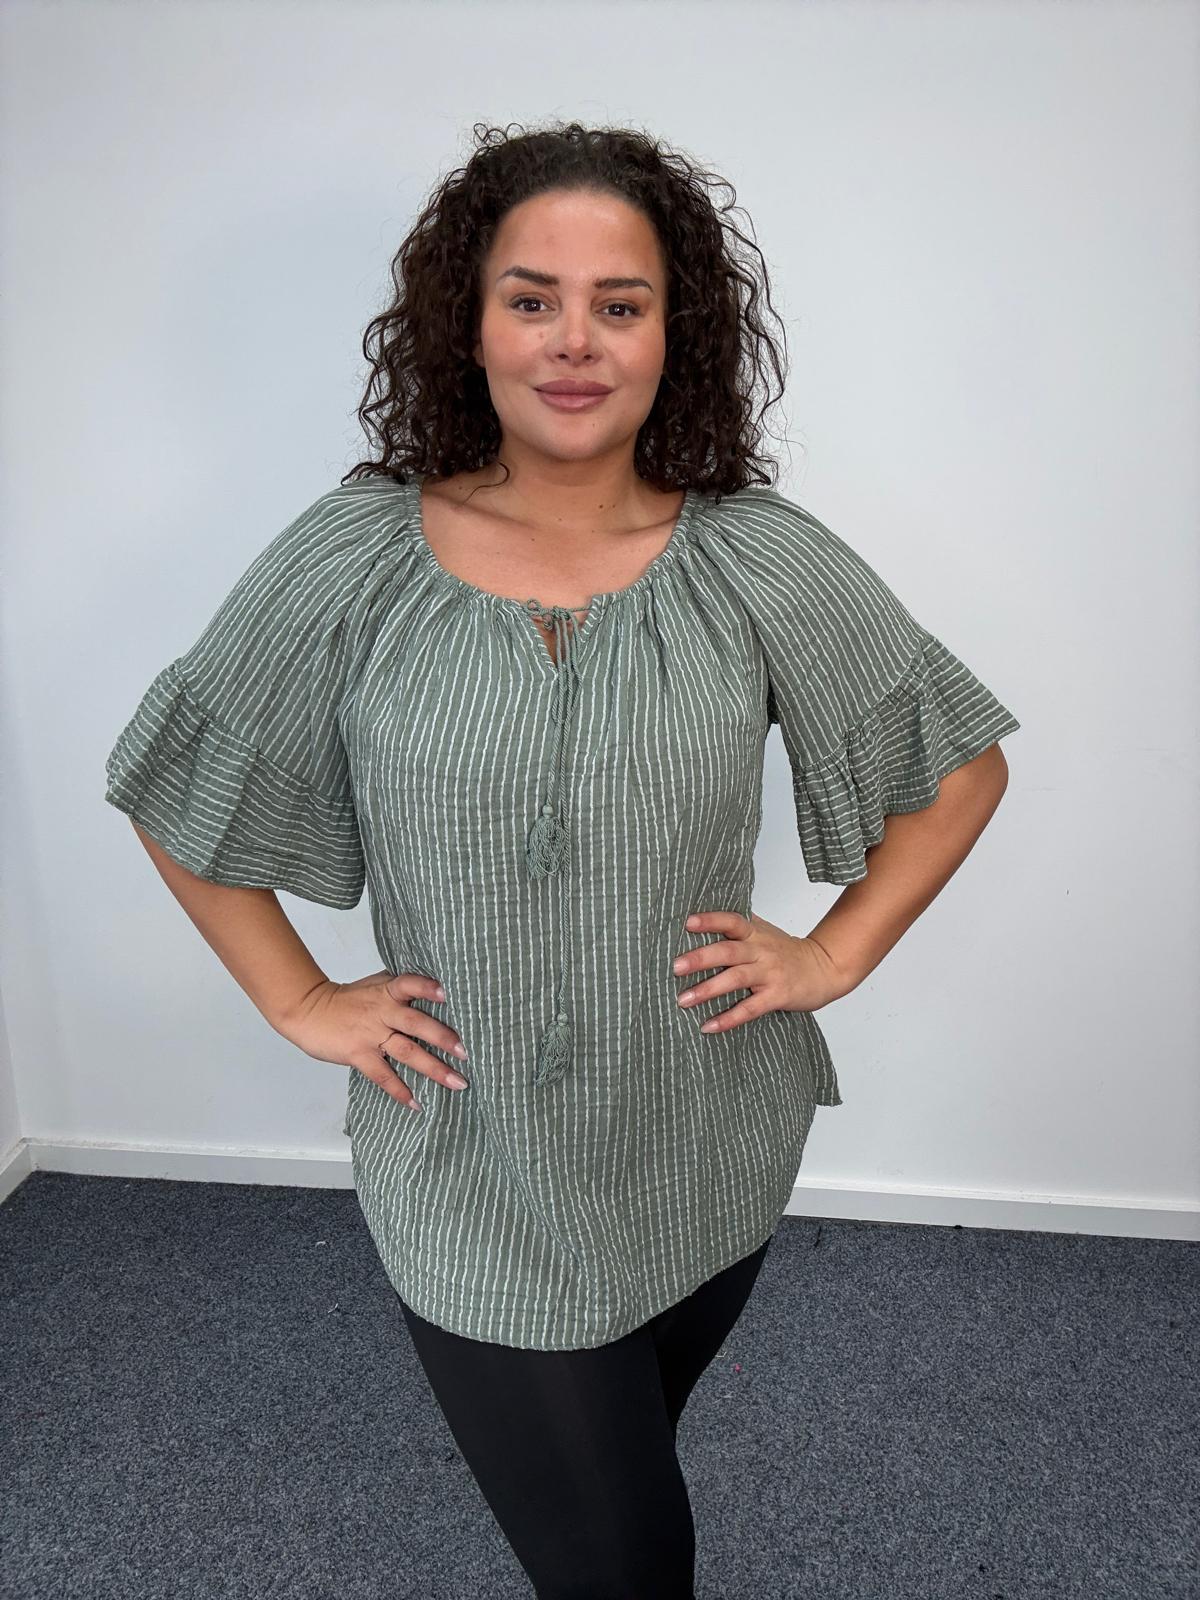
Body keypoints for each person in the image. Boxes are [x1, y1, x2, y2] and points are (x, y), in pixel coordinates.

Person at [103, 119, 1020, 1599]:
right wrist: (300, 999)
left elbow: (959, 768)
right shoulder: (353, 556)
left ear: (675, 333)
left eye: (620, 303)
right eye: (531, 299)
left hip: (703, 1134)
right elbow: (176, 777)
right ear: (467, 326)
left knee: (622, 1464)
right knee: (626, 1563)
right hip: (472, 1157)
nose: (574, 342)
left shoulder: (755, 557)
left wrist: (833, 953)